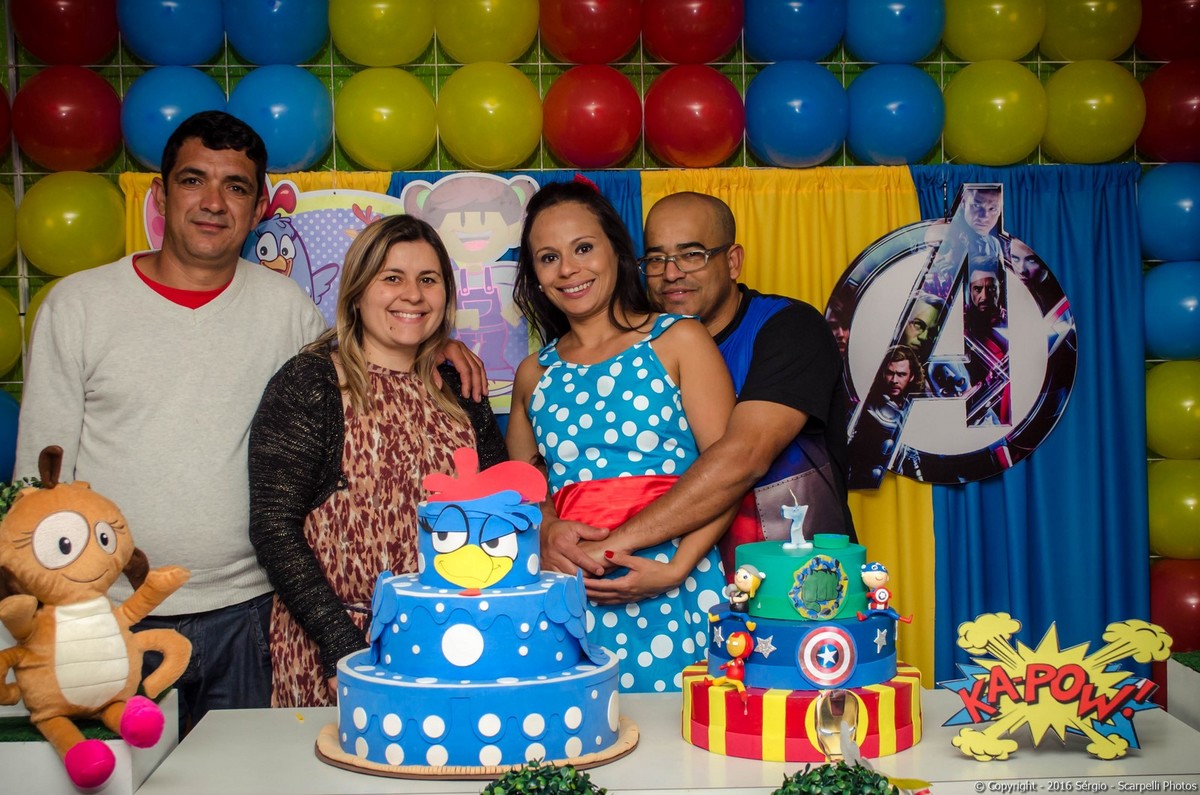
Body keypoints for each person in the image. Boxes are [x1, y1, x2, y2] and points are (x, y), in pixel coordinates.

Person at [12, 111, 484, 732]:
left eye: (234, 186)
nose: (213, 202)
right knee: (115, 771)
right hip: (110, 616)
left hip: (249, 613)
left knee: (242, 772)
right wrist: (42, 617)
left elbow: (374, 355)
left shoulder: (285, 308)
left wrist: (438, 344)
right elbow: (37, 483)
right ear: (160, 195)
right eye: (193, 180)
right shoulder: (79, 305)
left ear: (259, 205)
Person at [248, 215, 505, 708]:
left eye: (428, 280)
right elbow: (274, 528)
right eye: (392, 277)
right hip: (338, 646)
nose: (413, 295)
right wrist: (342, 646)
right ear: (357, 291)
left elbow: (500, 514)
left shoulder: (460, 388)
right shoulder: (311, 383)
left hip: (456, 641)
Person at [541, 191, 855, 587]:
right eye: (656, 259)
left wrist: (606, 552)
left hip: (796, 582)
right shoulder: (636, 353)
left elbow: (743, 457)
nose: (671, 273)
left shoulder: (788, 328)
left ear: (733, 261)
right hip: (694, 587)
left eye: (692, 255)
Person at [505, 180, 736, 693]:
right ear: (535, 276)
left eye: (583, 248)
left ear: (617, 251)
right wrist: (546, 530)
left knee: (683, 732)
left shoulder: (679, 339)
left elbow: (726, 475)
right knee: (575, 729)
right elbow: (524, 494)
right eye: (549, 258)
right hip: (570, 596)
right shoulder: (534, 374)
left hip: (674, 585)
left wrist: (677, 567)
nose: (568, 269)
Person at [846, 345, 925, 489]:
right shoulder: (865, 408)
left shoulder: (914, 409)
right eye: (890, 373)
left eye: (901, 374)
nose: (894, 380)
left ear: (912, 376)